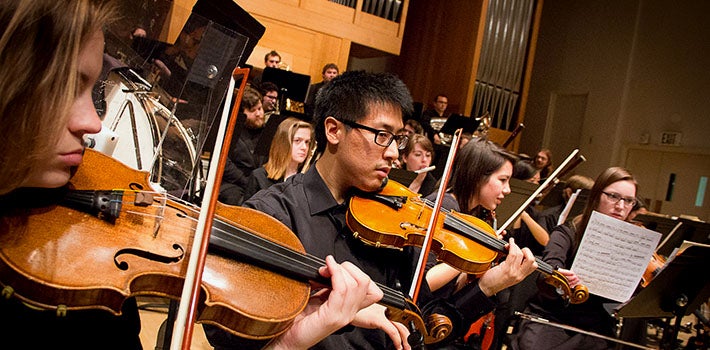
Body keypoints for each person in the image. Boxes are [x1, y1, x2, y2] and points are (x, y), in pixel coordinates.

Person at [0, 2, 385, 349]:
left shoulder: (93, 269)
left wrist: (288, 344)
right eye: (66, 87)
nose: (92, 122)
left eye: (91, 90)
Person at [206, 71, 537, 349]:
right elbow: (226, 337)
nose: (394, 152)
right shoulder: (271, 216)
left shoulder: (397, 220)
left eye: (398, 138)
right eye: (382, 135)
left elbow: (423, 323)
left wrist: (486, 288)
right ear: (334, 130)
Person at [423, 138, 538, 349]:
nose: (508, 189)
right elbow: (425, 282)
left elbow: (450, 286)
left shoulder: (472, 215)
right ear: (478, 177)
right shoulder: (445, 207)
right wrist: (472, 253)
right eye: (502, 180)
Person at [511, 167, 640, 350]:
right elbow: (551, 263)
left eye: (628, 201)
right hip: (553, 319)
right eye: (613, 196)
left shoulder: (632, 245)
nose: (620, 206)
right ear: (596, 197)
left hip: (596, 327)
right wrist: (557, 274)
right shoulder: (567, 232)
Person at [242, 117, 314, 203]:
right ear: (283, 143)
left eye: (307, 142)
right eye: (297, 141)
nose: (304, 147)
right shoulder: (259, 177)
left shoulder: (308, 180)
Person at [219, 85, 268, 205]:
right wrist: (246, 181)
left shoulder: (268, 131)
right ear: (241, 113)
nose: (259, 114)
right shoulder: (230, 131)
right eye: (252, 110)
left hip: (257, 183)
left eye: (260, 108)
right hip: (232, 184)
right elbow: (225, 163)